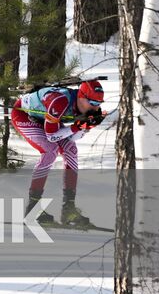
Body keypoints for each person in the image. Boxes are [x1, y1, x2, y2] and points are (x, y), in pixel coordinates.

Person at [11, 78, 106, 226]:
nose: (95, 108)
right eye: (93, 103)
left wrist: (85, 127)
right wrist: (77, 126)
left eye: (99, 104)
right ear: (81, 97)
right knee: (50, 150)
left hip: (47, 119)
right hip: (24, 114)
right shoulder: (60, 102)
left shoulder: (88, 108)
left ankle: (69, 209)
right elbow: (51, 136)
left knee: (71, 150)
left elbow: (73, 138)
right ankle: (33, 208)